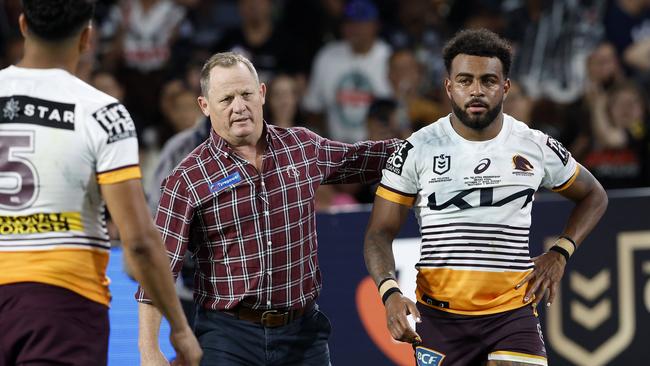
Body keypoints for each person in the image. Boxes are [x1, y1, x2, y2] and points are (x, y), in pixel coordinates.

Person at [136, 51, 400, 365]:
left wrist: (443, 138)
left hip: (303, 333)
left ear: (261, 93)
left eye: (246, 94)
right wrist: (149, 349)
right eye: (226, 99)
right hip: (228, 336)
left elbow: (372, 158)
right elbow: (157, 268)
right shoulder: (187, 179)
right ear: (204, 106)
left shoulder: (303, 147)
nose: (239, 106)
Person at [363, 29, 608, 366]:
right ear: (449, 86)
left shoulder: (534, 145)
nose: (476, 90)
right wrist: (389, 292)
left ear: (505, 86)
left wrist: (561, 252)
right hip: (439, 318)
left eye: (488, 81)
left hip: (512, 313)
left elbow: (594, 195)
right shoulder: (415, 150)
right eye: (465, 80)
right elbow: (379, 233)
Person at [0, 1, 201, 365]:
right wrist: (179, 328)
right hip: (61, 303)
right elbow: (138, 241)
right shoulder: (103, 113)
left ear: (24, 25)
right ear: (88, 37)